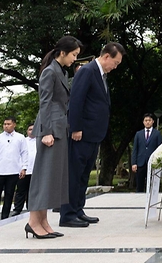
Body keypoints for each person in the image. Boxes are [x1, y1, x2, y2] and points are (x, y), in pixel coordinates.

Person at [60, 41, 124, 228]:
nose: (115, 67)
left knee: (84, 175)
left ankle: (78, 209)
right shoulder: (87, 71)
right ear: (106, 57)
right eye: (116, 62)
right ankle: (68, 214)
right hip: (82, 133)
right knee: (75, 173)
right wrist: (76, 128)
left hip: (93, 134)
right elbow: (77, 100)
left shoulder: (101, 75)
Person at [26, 35, 79, 239]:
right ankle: (33, 221)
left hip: (58, 128)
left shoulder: (60, 72)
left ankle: (43, 220)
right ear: (62, 53)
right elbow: (45, 103)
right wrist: (46, 132)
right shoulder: (50, 72)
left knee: (52, 177)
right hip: (49, 129)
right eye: (73, 55)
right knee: (43, 176)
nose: (74, 58)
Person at [0, 116, 28, 222]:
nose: (6, 126)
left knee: (9, 195)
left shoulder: (20, 138)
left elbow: (24, 153)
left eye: (8, 124)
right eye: (5, 124)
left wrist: (24, 167)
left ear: (14, 124)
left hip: (13, 171)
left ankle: (5, 216)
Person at [131, 114, 162, 193]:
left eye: (149, 120)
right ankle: (139, 200)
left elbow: (159, 149)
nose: (147, 122)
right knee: (140, 185)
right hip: (140, 162)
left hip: (152, 162)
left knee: (152, 185)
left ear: (153, 122)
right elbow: (135, 149)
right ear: (143, 122)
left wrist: (158, 161)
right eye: (146, 120)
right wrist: (134, 163)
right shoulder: (138, 134)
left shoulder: (157, 134)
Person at [13, 124, 37, 215]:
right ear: (27, 131)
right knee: (21, 190)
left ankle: (31, 208)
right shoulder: (22, 141)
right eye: (30, 129)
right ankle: (17, 209)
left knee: (33, 191)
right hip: (23, 170)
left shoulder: (40, 141)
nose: (32, 131)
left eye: (33, 129)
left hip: (35, 171)